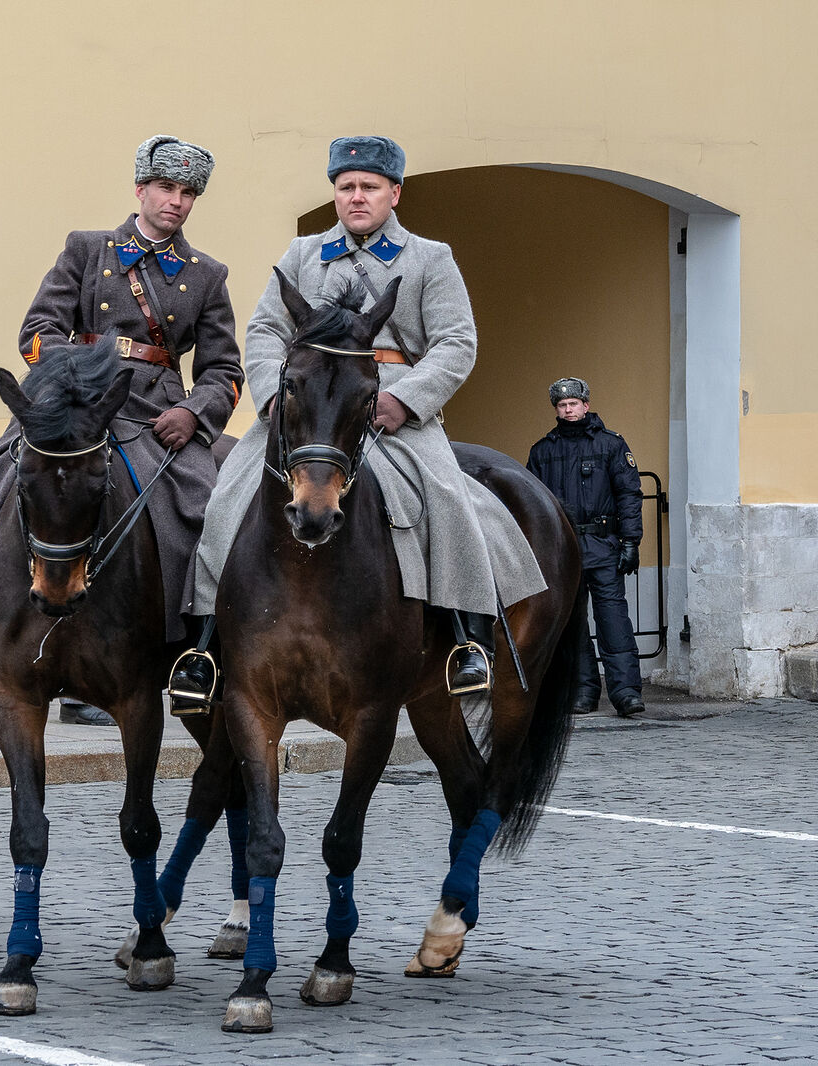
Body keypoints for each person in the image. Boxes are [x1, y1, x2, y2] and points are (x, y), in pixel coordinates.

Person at [177, 135, 548, 705]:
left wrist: (409, 400)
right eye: (346, 187)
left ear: (393, 193)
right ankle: (202, 644)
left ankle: (464, 636)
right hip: (307, 405)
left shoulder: (430, 257)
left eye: (369, 187)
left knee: (445, 493)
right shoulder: (302, 254)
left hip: (393, 400)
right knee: (230, 489)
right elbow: (265, 331)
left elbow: (456, 342)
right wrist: (276, 396)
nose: (356, 197)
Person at [0, 134, 244, 725]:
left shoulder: (207, 275)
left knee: (203, 507)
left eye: (188, 194)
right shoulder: (88, 249)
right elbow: (39, 328)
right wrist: (73, 382)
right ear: (141, 190)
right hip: (71, 404)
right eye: (166, 188)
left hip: (155, 417)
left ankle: (194, 651)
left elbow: (224, 369)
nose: (177, 202)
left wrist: (194, 413)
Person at [526, 377, 646, 717]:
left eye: (573, 404)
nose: (568, 409)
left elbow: (629, 495)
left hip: (604, 546)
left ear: (585, 405)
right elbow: (532, 503)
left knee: (614, 622)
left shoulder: (610, 445)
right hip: (563, 553)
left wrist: (630, 542)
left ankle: (626, 692)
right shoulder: (543, 451)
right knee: (573, 626)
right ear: (556, 410)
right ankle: (583, 691)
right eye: (562, 406)